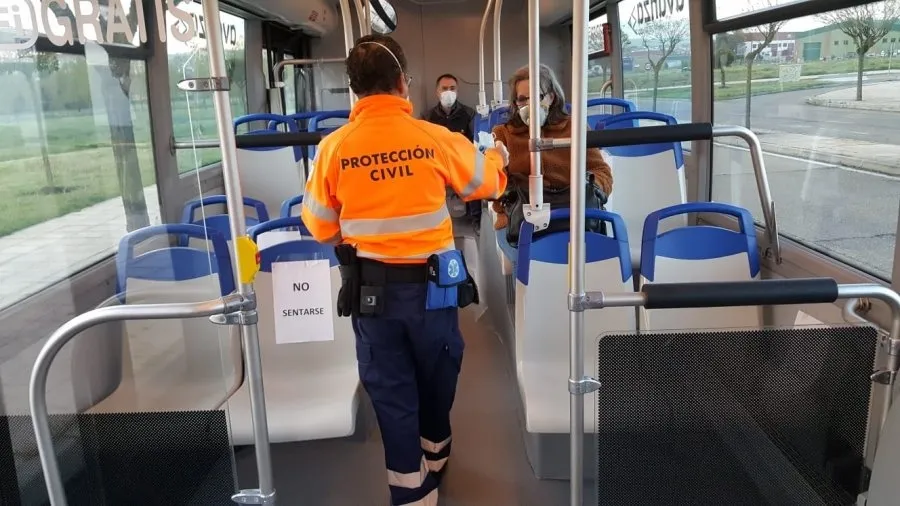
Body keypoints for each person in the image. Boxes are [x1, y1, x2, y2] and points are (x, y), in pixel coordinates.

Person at [301, 34, 509, 506]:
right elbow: (489, 183)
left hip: (371, 296)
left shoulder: (333, 148)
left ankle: (411, 490)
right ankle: (436, 453)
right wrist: (498, 155)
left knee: (390, 390)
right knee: (438, 372)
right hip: (434, 293)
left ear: (354, 89)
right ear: (402, 82)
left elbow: (319, 226)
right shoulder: (434, 138)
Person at [490, 64, 613, 266]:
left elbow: (601, 172)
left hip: (575, 217)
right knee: (533, 264)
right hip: (521, 222)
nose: (529, 105)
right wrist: (509, 196)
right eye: (522, 99)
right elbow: (494, 186)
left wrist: (589, 189)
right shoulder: (503, 134)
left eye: (536, 97)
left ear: (551, 97)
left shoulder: (575, 128)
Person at [422, 74, 476, 139]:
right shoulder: (427, 117)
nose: (448, 92)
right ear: (437, 92)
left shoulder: (470, 114)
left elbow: (475, 140)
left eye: (452, 88)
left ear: (457, 92)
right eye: (444, 88)